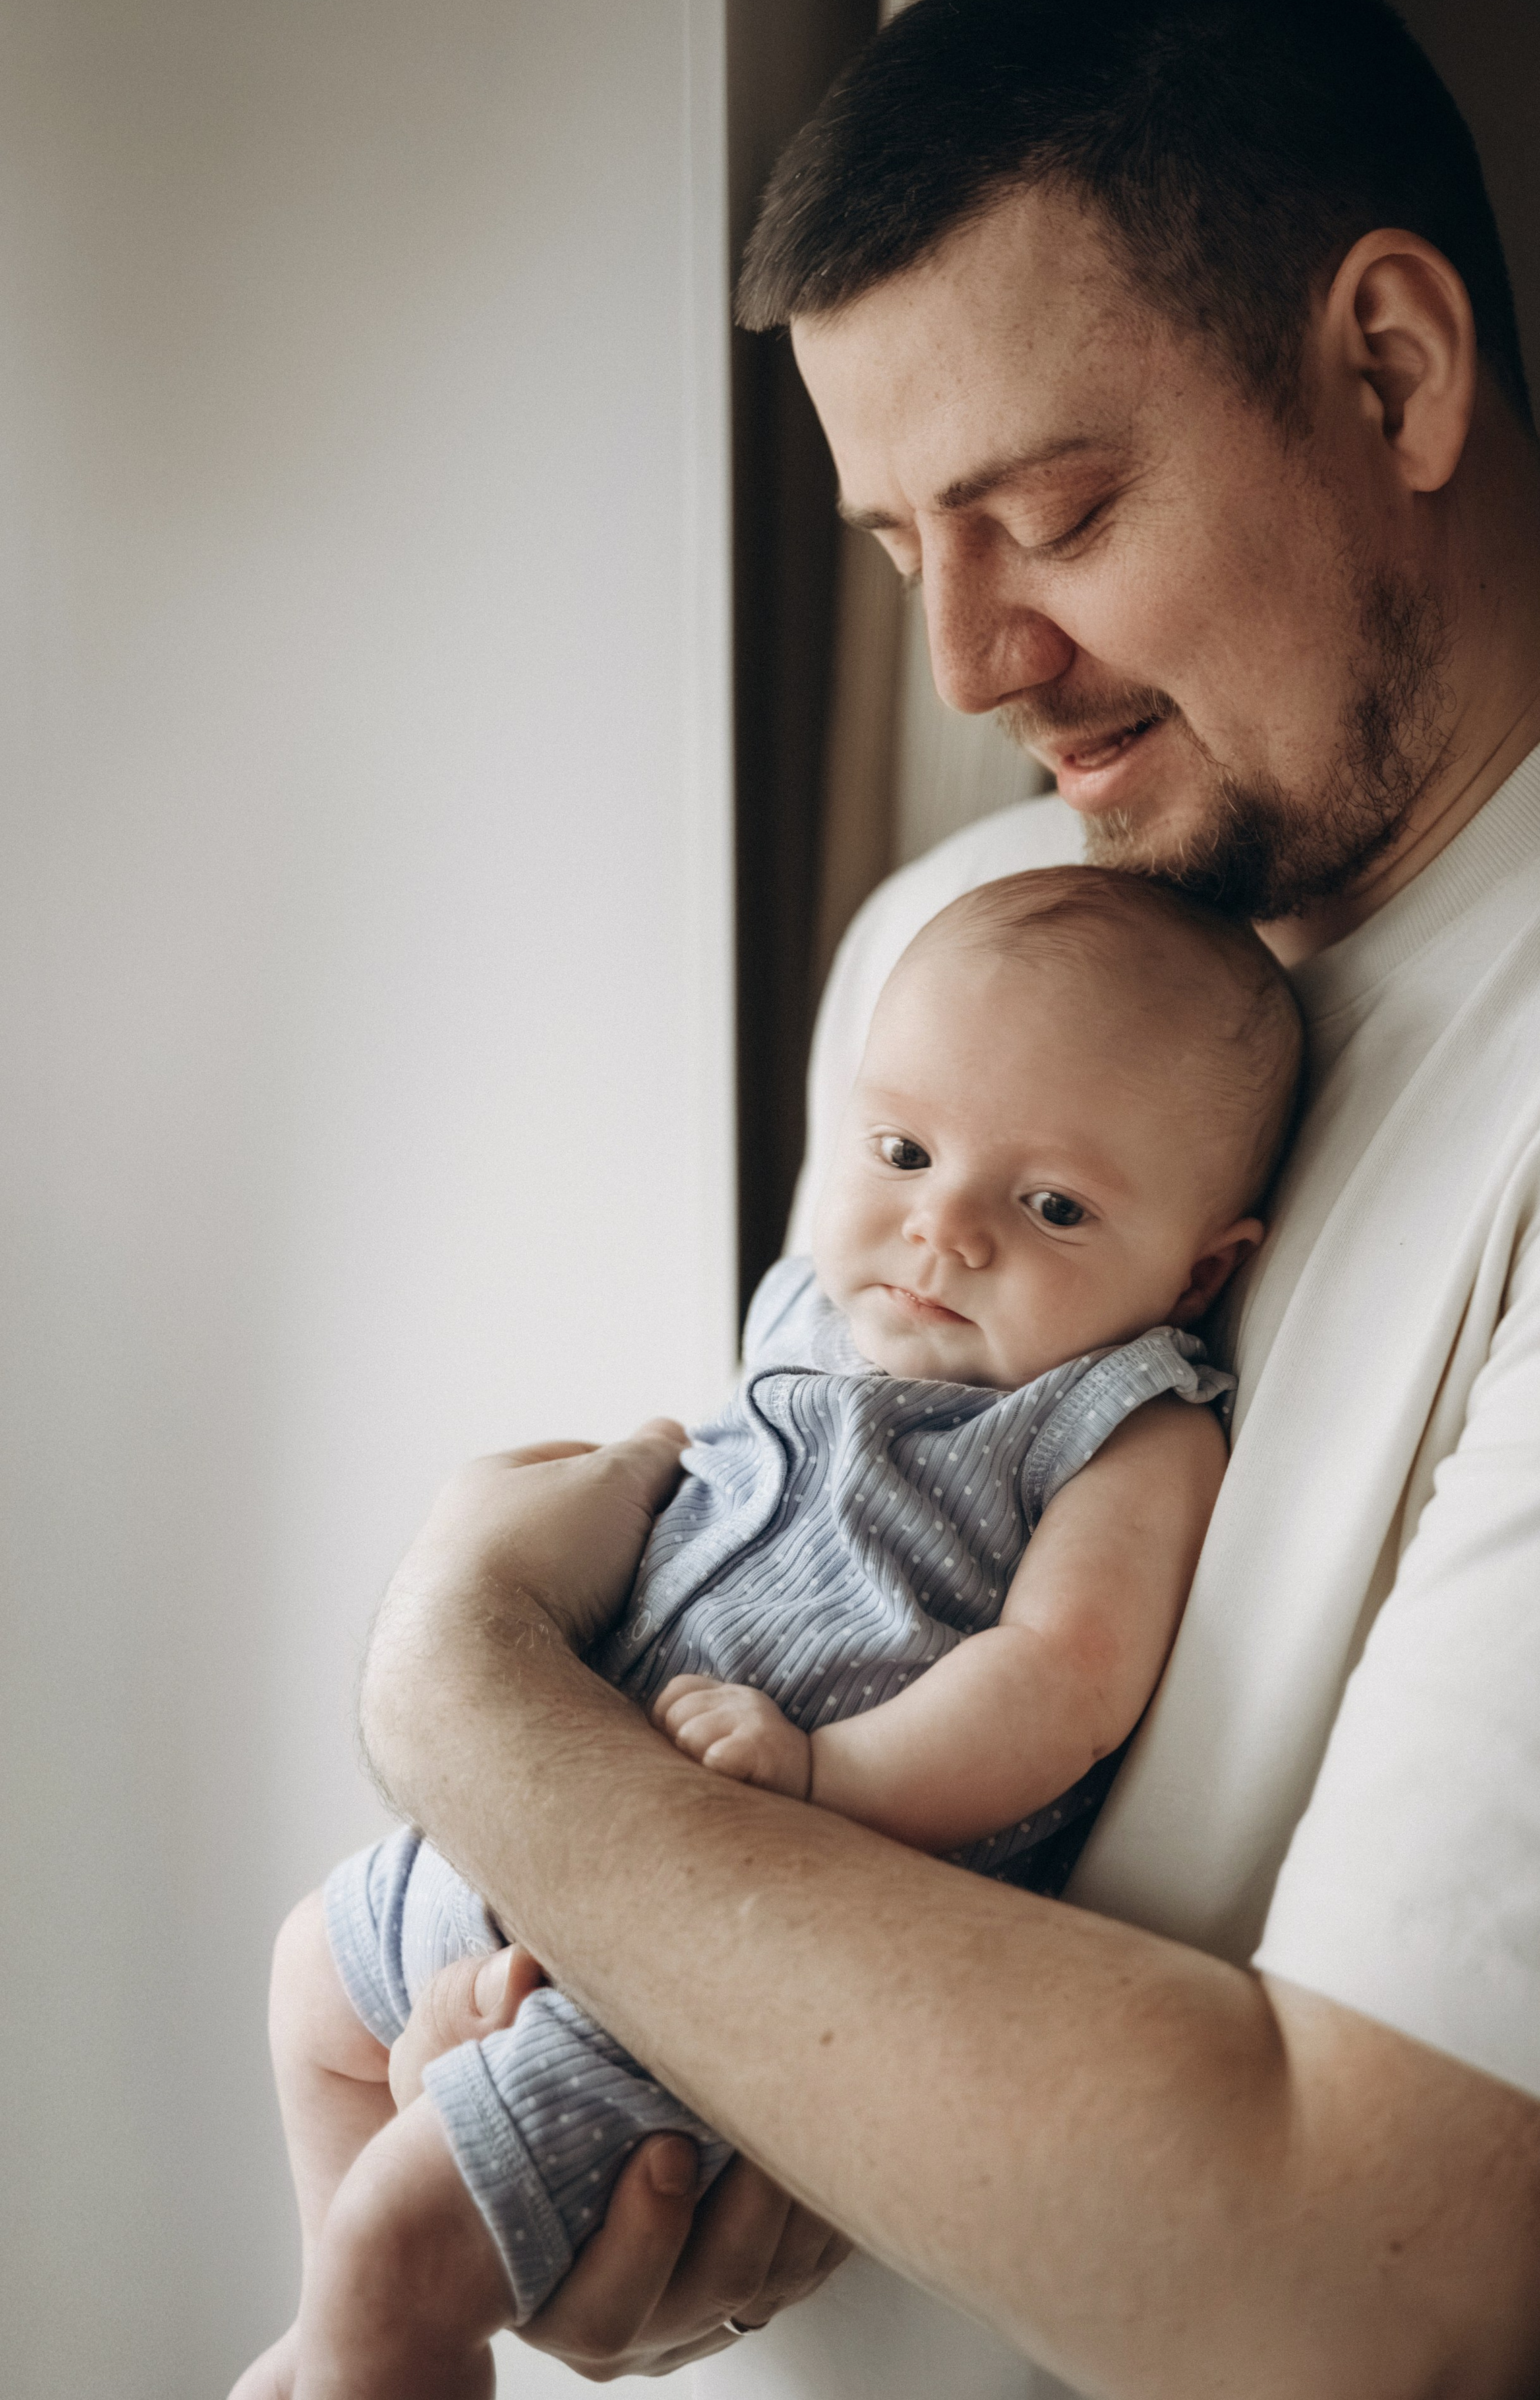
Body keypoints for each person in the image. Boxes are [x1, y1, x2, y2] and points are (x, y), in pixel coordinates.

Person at [354, 0, 1540, 2398]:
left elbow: (1374, 2299)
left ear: (1394, 372)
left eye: (1057, 515)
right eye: (908, 549)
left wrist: (462, 1703)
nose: (973, 667)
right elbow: (796, 1611)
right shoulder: (967, 936)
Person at [237, 871, 1301, 2399]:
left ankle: (379, 2331)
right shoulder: (813, 1307)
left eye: (1050, 1204)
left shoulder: (1118, 1424)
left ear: (1197, 1267)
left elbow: (1064, 1683)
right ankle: (339, 2322)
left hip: (735, 1940)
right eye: (902, 1151)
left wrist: (823, 1776)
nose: (942, 1230)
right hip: (525, 1838)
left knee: (405, 2245)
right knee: (309, 1987)